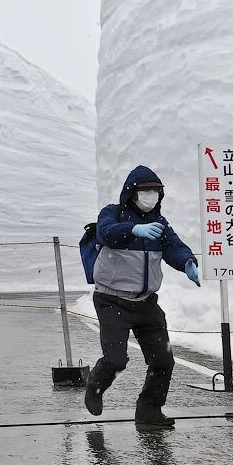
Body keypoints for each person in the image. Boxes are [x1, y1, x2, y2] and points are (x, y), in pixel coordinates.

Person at [85, 165, 201, 428]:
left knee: (163, 360)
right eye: (145, 190)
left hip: (147, 302)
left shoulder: (159, 223)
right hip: (112, 299)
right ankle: (95, 384)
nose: (151, 196)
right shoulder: (111, 214)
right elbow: (106, 232)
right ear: (131, 192)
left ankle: (149, 410)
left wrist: (187, 263)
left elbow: (174, 246)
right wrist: (133, 229)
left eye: (156, 192)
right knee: (116, 360)